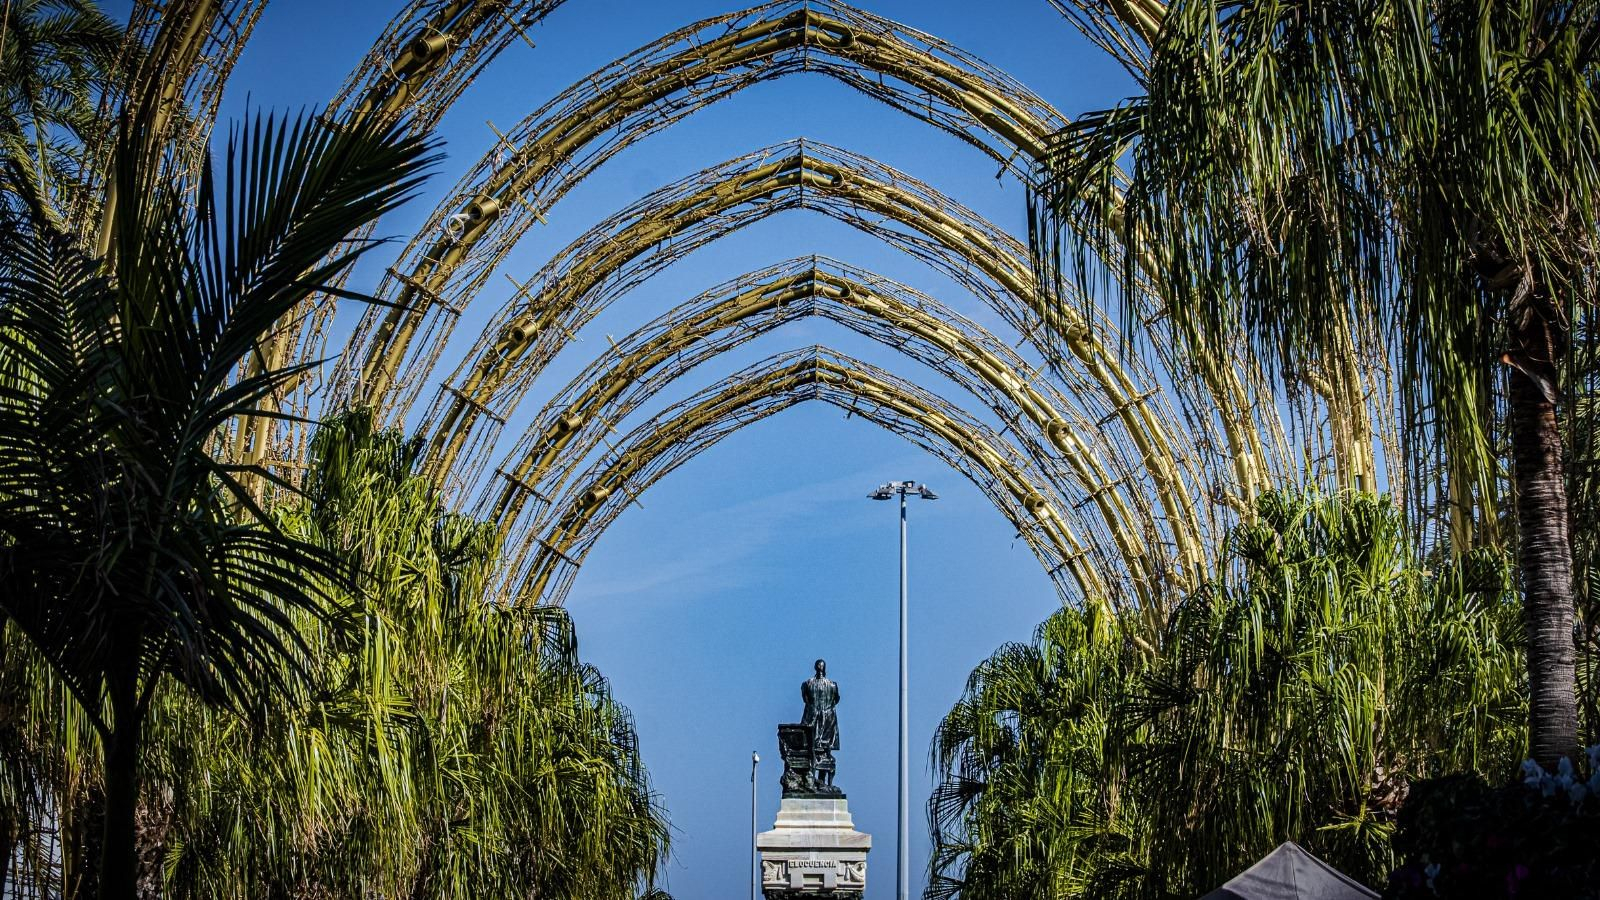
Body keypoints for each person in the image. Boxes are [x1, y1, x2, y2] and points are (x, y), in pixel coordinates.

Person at [802, 658, 840, 786]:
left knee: (820, 752)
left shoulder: (811, 684)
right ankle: (817, 782)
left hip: (819, 722)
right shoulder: (811, 684)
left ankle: (819, 782)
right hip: (822, 720)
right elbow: (836, 700)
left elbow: (806, 700)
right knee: (819, 752)